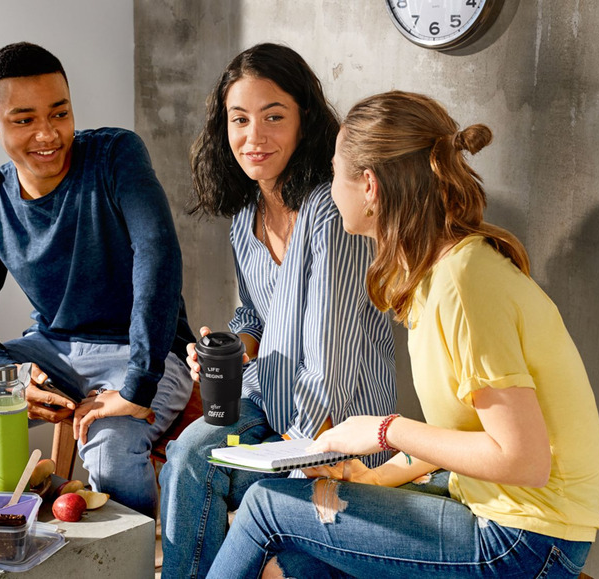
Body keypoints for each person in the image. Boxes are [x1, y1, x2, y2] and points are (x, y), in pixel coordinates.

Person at [207, 90, 599, 578]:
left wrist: (383, 429)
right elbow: (468, 432)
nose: (330, 189)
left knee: (266, 505)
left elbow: (525, 461)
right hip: (504, 517)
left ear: (369, 186)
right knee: (295, 557)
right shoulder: (438, 273)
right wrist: (373, 474)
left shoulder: (462, 282)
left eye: (335, 173)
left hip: (524, 540)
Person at [0, 42, 195, 519]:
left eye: (59, 113)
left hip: (146, 351)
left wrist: (137, 385)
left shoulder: (116, 154)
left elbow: (158, 257)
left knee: (109, 451)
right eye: (24, 119)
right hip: (52, 350)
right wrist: (10, 376)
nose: (48, 134)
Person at [159, 44, 396, 578]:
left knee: (249, 508)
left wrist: (293, 453)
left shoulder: (332, 213)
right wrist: (229, 350)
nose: (254, 138)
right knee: (187, 456)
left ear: (304, 120)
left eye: (273, 117)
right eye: (239, 120)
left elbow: (332, 362)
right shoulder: (245, 218)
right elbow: (254, 316)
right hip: (268, 403)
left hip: (336, 424)